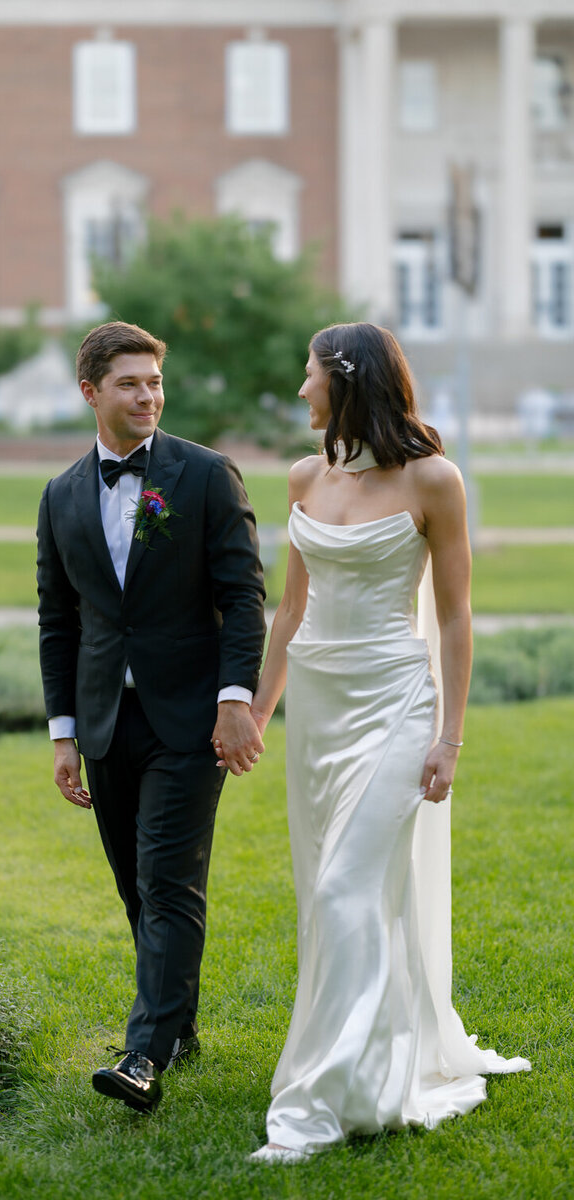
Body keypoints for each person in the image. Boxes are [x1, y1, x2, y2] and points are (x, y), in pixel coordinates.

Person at [239, 322, 530, 1162]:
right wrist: (257, 712)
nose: (302, 390)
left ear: (347, 380)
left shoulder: (434, 479)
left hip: (396, 701)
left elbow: (455, 616)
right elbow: (291, 611)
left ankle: (319, 1105)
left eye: (309, 375)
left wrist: (450, 737)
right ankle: (367, 1060)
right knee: (330, 897)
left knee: (345, 890)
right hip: (318, 709)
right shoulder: (305, 477)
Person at [36, 320, 267, 1115]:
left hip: (192, 718)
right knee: (136, 885)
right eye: (130, 384)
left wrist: (235, 700)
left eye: (155, 383)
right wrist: (64, 732)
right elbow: (58, 621)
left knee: (167, 879)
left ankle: (143, 1056)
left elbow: (244, 598)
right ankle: (177, 1027)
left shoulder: (205, 475)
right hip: (106, 721)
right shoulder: (61, 494)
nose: (148, 397)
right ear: (90, 391)